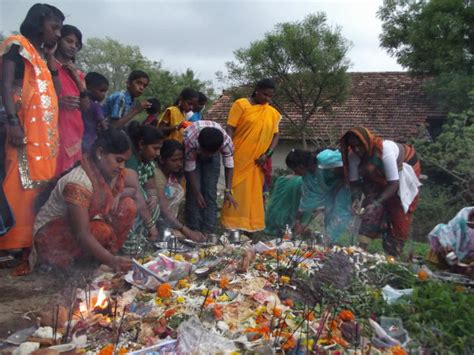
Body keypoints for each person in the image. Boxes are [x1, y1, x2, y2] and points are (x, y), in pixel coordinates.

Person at [0, 3, 64, 275]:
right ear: (38, 25)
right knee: (19, 185)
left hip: (45, 140)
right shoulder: (17, 44)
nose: (58, 34)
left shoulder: (41, 56)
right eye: (54, 28)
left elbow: (56, 91)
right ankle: (10, 244)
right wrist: (13, 121)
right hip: (23, 132)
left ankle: (29, 245)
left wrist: (49, 56)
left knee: (40, 190)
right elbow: (6, 84)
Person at [32, 129, 136, 271]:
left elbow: (133, 186)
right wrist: (111, 260)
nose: (122, 167)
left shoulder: (110, 174)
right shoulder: (78, 182)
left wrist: (118, 195)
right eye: (119, 160)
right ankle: (84, 263)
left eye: (125, 162)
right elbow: (81, 232)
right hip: (51, 238)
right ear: (100, 153)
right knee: (101, 230)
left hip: (84, 228)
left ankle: (104, 259)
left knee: (127, 206)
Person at [340, 127, 422, 256]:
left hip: (403, 170)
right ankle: (360, 251)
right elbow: (355, 183)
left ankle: (393, 252)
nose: (356, 149)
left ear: (366, 142)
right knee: (369, 208)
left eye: (359, 145)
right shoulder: (353, 156)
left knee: (397, 209)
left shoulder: (385, 151)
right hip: (379, 178)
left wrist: (377, 202)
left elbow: (393, 184)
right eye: (353, 146)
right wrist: (355, 199)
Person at [221, 78, 280, 233]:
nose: (267, 99)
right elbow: (230, 128)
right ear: (257, 90)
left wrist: (268, 154)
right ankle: (231, 229)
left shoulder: (272, 113)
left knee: (253, 197)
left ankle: (250, 230)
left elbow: (276, 136)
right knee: (237, 194)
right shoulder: (241, 105)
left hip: (258, 163)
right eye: (265, 95)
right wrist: (229, 149)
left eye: (270, 96)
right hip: (239, 158)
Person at [285, 149, 352, 243]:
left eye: (294, 170)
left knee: (339, 213)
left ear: (300, 166)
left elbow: (349, 164)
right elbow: (306, 200)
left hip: (347, 184)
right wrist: (299, 222)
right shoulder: (308, 178)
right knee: (329, 215)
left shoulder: (324, 159)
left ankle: (339, 242)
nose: (294, 173)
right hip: (333, 191)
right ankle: (331, 243)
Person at [183, 120, 236, 234]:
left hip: (210, 151)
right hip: (194, 151)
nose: (206, 156)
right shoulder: (190, 141)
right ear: (200, 147)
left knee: (210, 192)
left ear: (218, 150)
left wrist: (228, 190)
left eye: (210, 153)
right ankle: (193, 230)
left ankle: (208, 231)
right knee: (193, 194)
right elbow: (190, 168)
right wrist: (197, 193)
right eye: (205, 152)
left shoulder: (226, 142)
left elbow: (229, 165)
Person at [123, 122, 163, 254]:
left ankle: (142, 243)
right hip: (122, 203)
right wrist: (151, 225)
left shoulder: (148, 163)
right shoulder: (130, 160)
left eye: (159, 149)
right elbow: (136, 193)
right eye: (155, 148)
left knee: (154, 204)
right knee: (136, 202)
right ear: (141, 144)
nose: (158, 153)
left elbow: (151, 187)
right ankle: (128, 249)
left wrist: (153, 197)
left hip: (138, 205)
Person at [54, 24, 88, 176]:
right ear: (58, 39)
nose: (73, 46)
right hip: (53, 130)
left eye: (77, 44)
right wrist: (58, 103)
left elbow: (85, 107)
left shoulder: (79, 74)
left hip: (73, 133)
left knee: (68, 179)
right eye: (69, 41)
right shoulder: (46, 66)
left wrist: (78, 81)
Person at [154, 140, 204, 241]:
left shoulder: (172, 175)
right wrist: (185, 230)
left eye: (181, 160)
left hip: (170, 222)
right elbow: (163, 210)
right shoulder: (157, 175)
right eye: (174, 160)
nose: (179, 164)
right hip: (157, 223)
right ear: (162, 159)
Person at [427, 207, 474, 277]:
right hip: (451, 250)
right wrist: (447, 246)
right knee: (441, 232)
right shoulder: (464, 215)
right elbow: (448, 231)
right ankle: (448, 266)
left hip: (469, 255)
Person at [81, 72, 109, 153]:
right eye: (101, 91)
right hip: (90, 142)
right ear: (88, 88)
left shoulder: (79, 102)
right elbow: (104, 127)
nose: (104, 95)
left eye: (105, 92)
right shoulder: (96, 107)